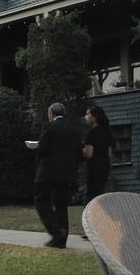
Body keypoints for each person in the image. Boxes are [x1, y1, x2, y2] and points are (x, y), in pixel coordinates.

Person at [32, 102, 82, 249]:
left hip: (49, 173)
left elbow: (43, 149)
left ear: (51, 114)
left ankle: (56, 231)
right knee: (61, 205)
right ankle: (61, 240)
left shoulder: (49, 127)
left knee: (41, 202)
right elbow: (79, 153)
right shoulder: (75, 130)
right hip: (68, 174)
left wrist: (37, 148)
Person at [82, 105, 114, 204]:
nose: (85, 117)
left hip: (94, 167)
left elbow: (89, 154)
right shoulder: (107, 132)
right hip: (105, 166)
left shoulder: (92, 133)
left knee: (91, 195)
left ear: (94, 117)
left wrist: (79, 149)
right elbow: (109, 153)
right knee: (100, 193)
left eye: (88, 114)